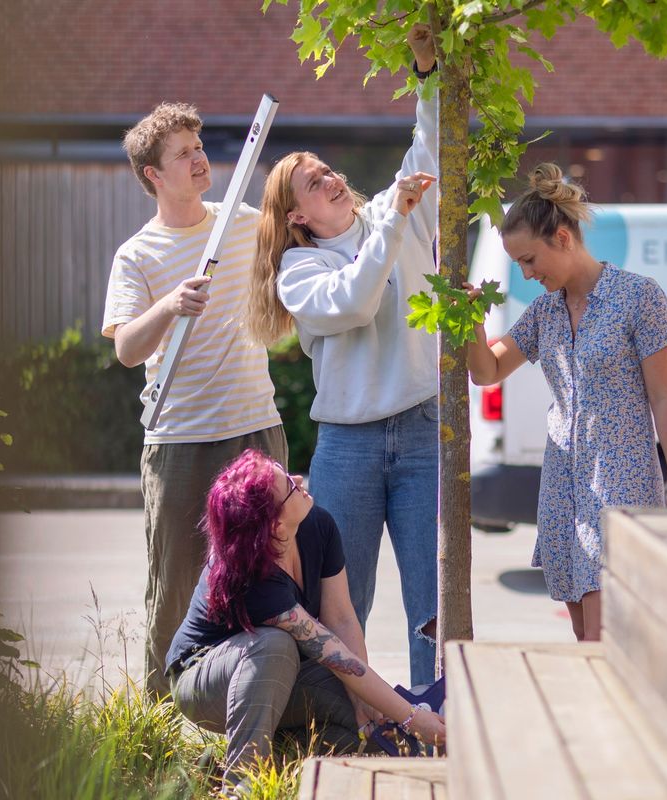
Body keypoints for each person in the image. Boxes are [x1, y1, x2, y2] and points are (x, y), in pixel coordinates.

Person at [248, 25, 440, 686]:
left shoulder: (399, 210)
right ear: (296, 215)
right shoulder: (299, 272)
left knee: (433, 604)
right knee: (340, 603)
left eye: (325, 167)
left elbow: (432, 139)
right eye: (310, 180)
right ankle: (343, 717)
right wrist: (390, 222)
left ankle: (433, 716)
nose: (328, 176)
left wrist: (428, 67)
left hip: (421, 432)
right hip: (349, 446)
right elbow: (356, 302)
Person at [466, 163, 667, 642]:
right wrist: (470, 323)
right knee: (583, 634)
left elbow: (663, 397)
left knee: (604, 638)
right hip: (562, 480)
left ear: (564, 238)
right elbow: (486, 372)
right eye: (520, 266)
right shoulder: (544, 311)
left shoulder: (639, 297)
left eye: (531, 260)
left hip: (621, 475)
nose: (527, 274)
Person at [103, 102, 288, 698]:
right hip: (179, 439)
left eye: (200, 147)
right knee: (177, 584)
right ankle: (161, 716)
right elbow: (128, 348)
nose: (200, 159)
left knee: (274, 577)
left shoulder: (242, 221)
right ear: (153, 174)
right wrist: (170, 304)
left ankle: (268, 705)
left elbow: (304, 246)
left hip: (255, 425)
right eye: (183, 154)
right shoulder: (138, 255)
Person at [167, 449, 445, 786]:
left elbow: (342, 620)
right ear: (274, 524)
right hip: (204, 681)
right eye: (289, 486)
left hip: (279, 674)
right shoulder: (253, 576)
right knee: (274, 645)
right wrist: (413, 718)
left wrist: (364, 707)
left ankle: (223, 764)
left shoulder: (317, 525)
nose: (299, 481)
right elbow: (331, 652)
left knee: (359, 724)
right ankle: (242, 783)